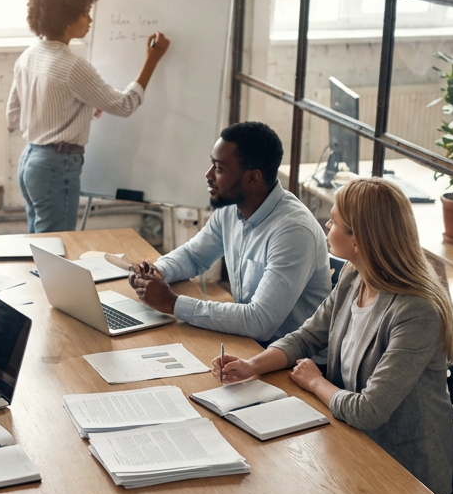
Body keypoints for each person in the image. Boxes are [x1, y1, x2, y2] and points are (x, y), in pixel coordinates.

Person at [213, 177, 453, 494]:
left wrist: (315, 382)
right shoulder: (355, 275)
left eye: (334, 221)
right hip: (350, 438)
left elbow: (368, 411)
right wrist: (252, 365)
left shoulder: (416, 312)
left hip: (404, 467)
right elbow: (306, 338)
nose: (326, 226)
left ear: (359, 240)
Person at [129, 121, 330, 349]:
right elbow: (194, 256)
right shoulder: (232, 208)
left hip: (292, 358)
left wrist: (173, 303)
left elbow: (260, 321)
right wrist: (157, 271)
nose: (208, 175)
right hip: (248, 342)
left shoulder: (293, 232)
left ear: (253, 178)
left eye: (219, 169)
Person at [6, 0, 170, 233]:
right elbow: (125, 105)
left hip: (30, 161)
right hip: (56, 166)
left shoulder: (29, 56)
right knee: (57, 247)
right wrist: (152, 60)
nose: (90, 19)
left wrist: (77, 107)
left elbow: (14, 115)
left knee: (40, 245)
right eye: (85, 13)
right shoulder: (72, 66)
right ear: (67, 20)